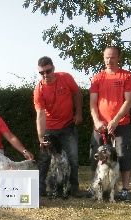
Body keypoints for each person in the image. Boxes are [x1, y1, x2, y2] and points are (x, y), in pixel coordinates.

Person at [89, 46, 131, 201]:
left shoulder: (126, 76)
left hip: (121, 124)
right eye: (106, 57)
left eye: (112, 57)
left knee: (123, 155)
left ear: (118, 57)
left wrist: (115, 120)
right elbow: (93, 104)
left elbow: (128, 101)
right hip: (100, 126)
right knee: (96, 154)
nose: (109, 60)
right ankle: (95, 186)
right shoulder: (97, 78)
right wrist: (97, 121)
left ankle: (125, 189)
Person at [33, 56, 83, 197]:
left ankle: (73, 189)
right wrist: (41, 138)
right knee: (44, 159)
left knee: (72, 157)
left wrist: (78, 114)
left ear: (53, 69)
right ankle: (40, 188)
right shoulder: (39, 90)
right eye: (41, 73)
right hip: (50, 128)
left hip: (68, 125)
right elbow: (40, 115)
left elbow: (77, 94)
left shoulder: (66, 78)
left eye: (48, 71)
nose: (45, 75)